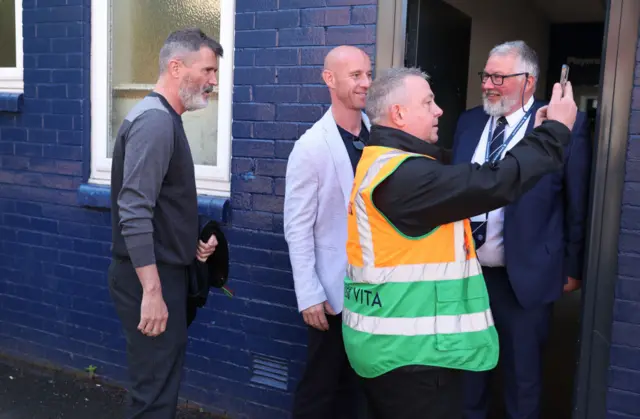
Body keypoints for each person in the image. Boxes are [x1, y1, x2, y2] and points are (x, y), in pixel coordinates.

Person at [342, 66, 578, 419]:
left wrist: (538, 130)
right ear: (400, 113)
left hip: (387, 346)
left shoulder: (386, 161)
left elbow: (472, 173)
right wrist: (556, 132)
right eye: (429, 102)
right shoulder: (406, 177)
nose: (439, 110)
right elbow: (494, 182)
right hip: (412, 359)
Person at [451, 41, 591, 419]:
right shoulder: (468, 122)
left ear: (529, 82)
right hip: (466, 276)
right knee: (467, 372)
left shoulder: (563, 129)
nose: (489, 84)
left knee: (522, 378)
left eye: (500, 77)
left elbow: (576, 200)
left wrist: (573, 265)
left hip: (525, 276)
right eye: (486, 76)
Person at [108, 28, 221, 418]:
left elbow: (157, 205)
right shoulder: (155, 122)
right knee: (153, 399)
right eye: (207, 69)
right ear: (176, 67)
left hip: (162, 273)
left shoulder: (165, 119)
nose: (213, 81)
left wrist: (189, 239)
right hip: (149, 281)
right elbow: (134, 209)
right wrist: (152, 293)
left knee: (160, 390)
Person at [284, 45, 372, 419]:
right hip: (331, 294)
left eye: (369, 74)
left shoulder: (378, 134)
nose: (366, 83)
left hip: (376, 292)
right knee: (321, 388)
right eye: (356, 75)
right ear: (329, 79)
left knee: (364, 388)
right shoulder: (310, 147)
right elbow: (297, 228)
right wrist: (308, 294)